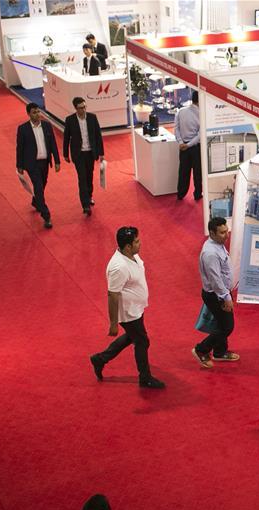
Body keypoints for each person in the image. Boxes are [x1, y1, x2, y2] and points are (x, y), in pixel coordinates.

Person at [90, 227, 165, 389]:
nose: (140, 243)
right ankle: (145, 378)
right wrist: (113, 323)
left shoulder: (132, 255)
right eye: (137, 241)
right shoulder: (118, 267)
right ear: (127, 246)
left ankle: (100, 359)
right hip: (128, 312)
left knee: (133, 337)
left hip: (136, 308)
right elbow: (112, 295)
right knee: (142, 341)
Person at [192, 216, 239, 368]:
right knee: (227, 327)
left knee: (221, 324)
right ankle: (201, 349)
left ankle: (220, 352)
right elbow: (215, 279)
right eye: (222, 233)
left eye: (227, 231)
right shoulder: (210, 253)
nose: (227, 235)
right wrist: (226, 297)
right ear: (212, 233)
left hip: (220, 292)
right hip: (217, 295)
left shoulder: (217, 245)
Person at [16, 102, 60, 229]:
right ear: (29, 114)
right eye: (34, 112)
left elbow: (52, 144)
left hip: (45, 162)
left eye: (38, 111)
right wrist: (19, 165)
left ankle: (36, 201)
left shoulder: (47, 126)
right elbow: (20, 148)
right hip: (32, 164)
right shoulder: (23, 129)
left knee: (43, 183)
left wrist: (57, 161)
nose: (37, 114)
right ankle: (46, 216)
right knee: (39, 187)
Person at [63, 97, 104, 216]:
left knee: (89, 176)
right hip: (78, 154)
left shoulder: (92, 117)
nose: (84, 109)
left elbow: (98, 136)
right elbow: (66, 138)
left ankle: (89, 195)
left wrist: (101, 153)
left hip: (90, 153)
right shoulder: (70, 120)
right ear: (75, 108)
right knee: (82, 178)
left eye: (85, 107)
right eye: (81, 108)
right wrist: (65, 153)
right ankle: (85, 205)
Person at [175, 91, 202, 201]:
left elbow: (176, 128)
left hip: (183, 147)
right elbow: (200, 135)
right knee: (197, 172)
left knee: (183, 171)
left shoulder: (180, 111)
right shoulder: (202, 114)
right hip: (195, 147)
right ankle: (197, 194)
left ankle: (180, 194)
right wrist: (189, 145)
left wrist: (181, 142)